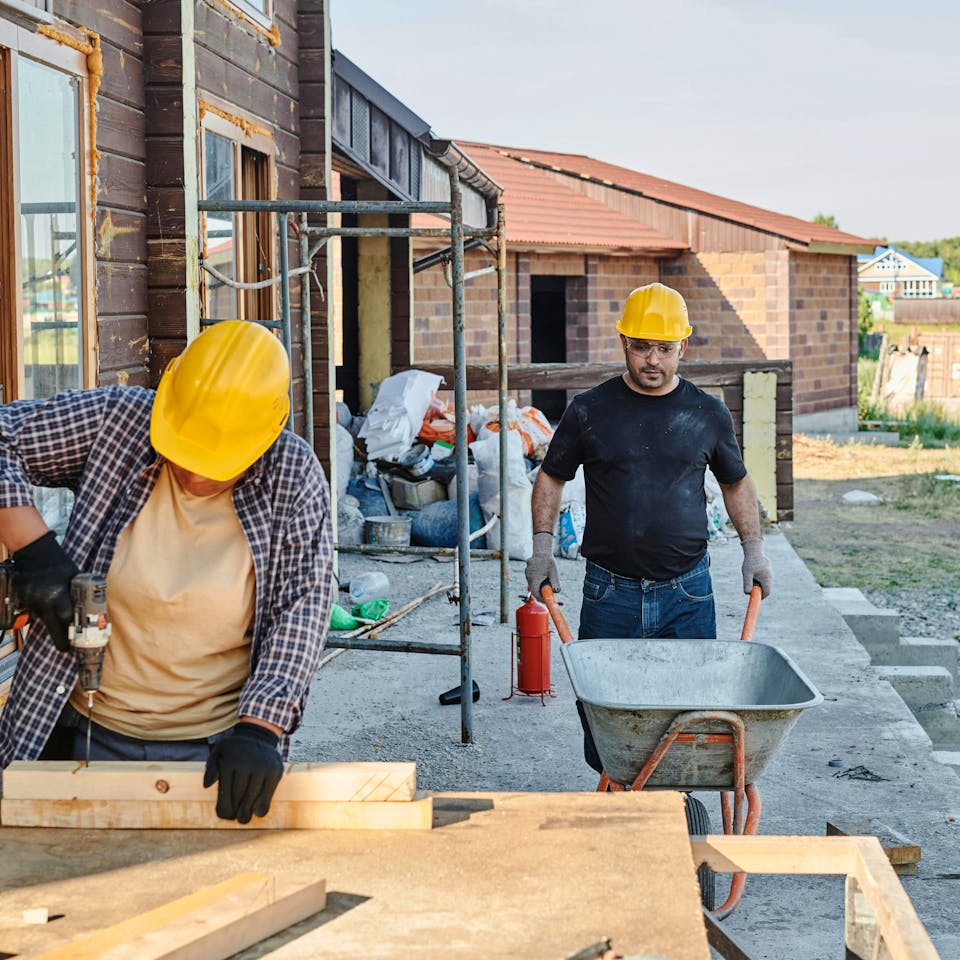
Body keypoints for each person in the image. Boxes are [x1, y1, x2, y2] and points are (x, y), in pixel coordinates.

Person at [0, 320, 334, 823]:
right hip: (76, 725)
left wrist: (261, 728)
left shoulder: (294, 474)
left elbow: (301, 608)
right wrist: (34, 548)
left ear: (265, 436)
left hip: (216, 750)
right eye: (184, 452)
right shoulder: (119, 421)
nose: (195, 473)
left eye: (217, 461)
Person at [524, 282, 773, 773]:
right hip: (609, 594)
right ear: (624, 344)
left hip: (687, 594)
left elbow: (736, 483)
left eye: (664, 348)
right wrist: (541, 547)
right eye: (641, 347)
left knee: (693, 716)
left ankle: (677, 802)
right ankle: (620, 798)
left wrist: (755, 549)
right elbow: (551, 477)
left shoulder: (706, 413)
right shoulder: (590, 411)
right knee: (606, 723)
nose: (652, 360)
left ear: (684, 345)